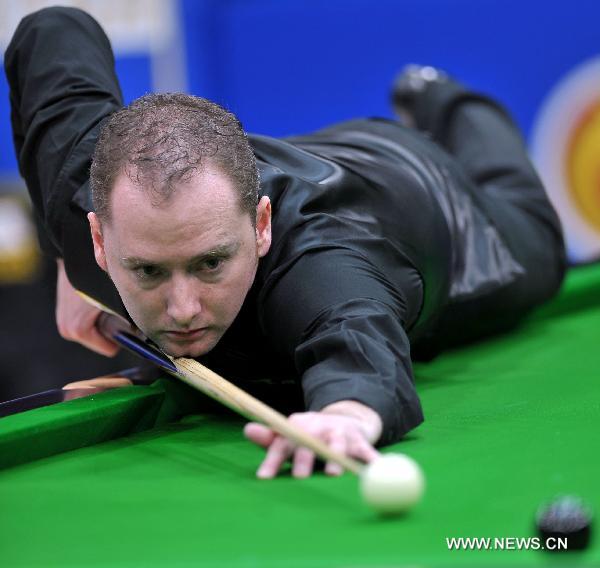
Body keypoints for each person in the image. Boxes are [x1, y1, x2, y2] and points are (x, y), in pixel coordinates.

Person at [5, 7, 566, 478]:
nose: (182, 309)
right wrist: (63, 256)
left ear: (261, 226)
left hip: (427, 194)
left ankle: (439, 95)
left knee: (540, 249)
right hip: (281, 163)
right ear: (100, 238)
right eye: (148, 271)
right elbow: (53, 27)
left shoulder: (321, 262)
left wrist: (346, 414)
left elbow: (356, 338)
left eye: (210, 263)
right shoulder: (80, 200)